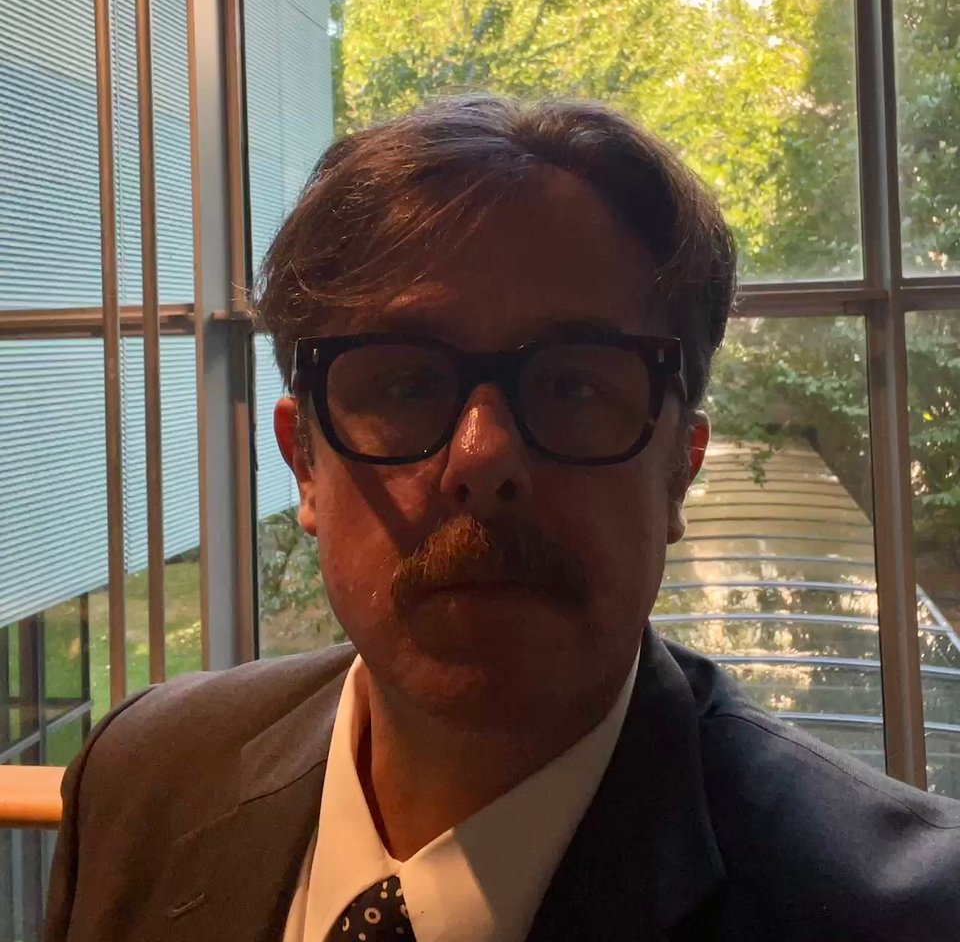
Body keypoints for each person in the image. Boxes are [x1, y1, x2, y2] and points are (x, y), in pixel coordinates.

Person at [45, 95, 960, 942]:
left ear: (679, 470)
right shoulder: (141, 781)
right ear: (305, 465)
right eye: (405, 384)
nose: (483, 459)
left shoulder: (907, 913)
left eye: (572, 387)